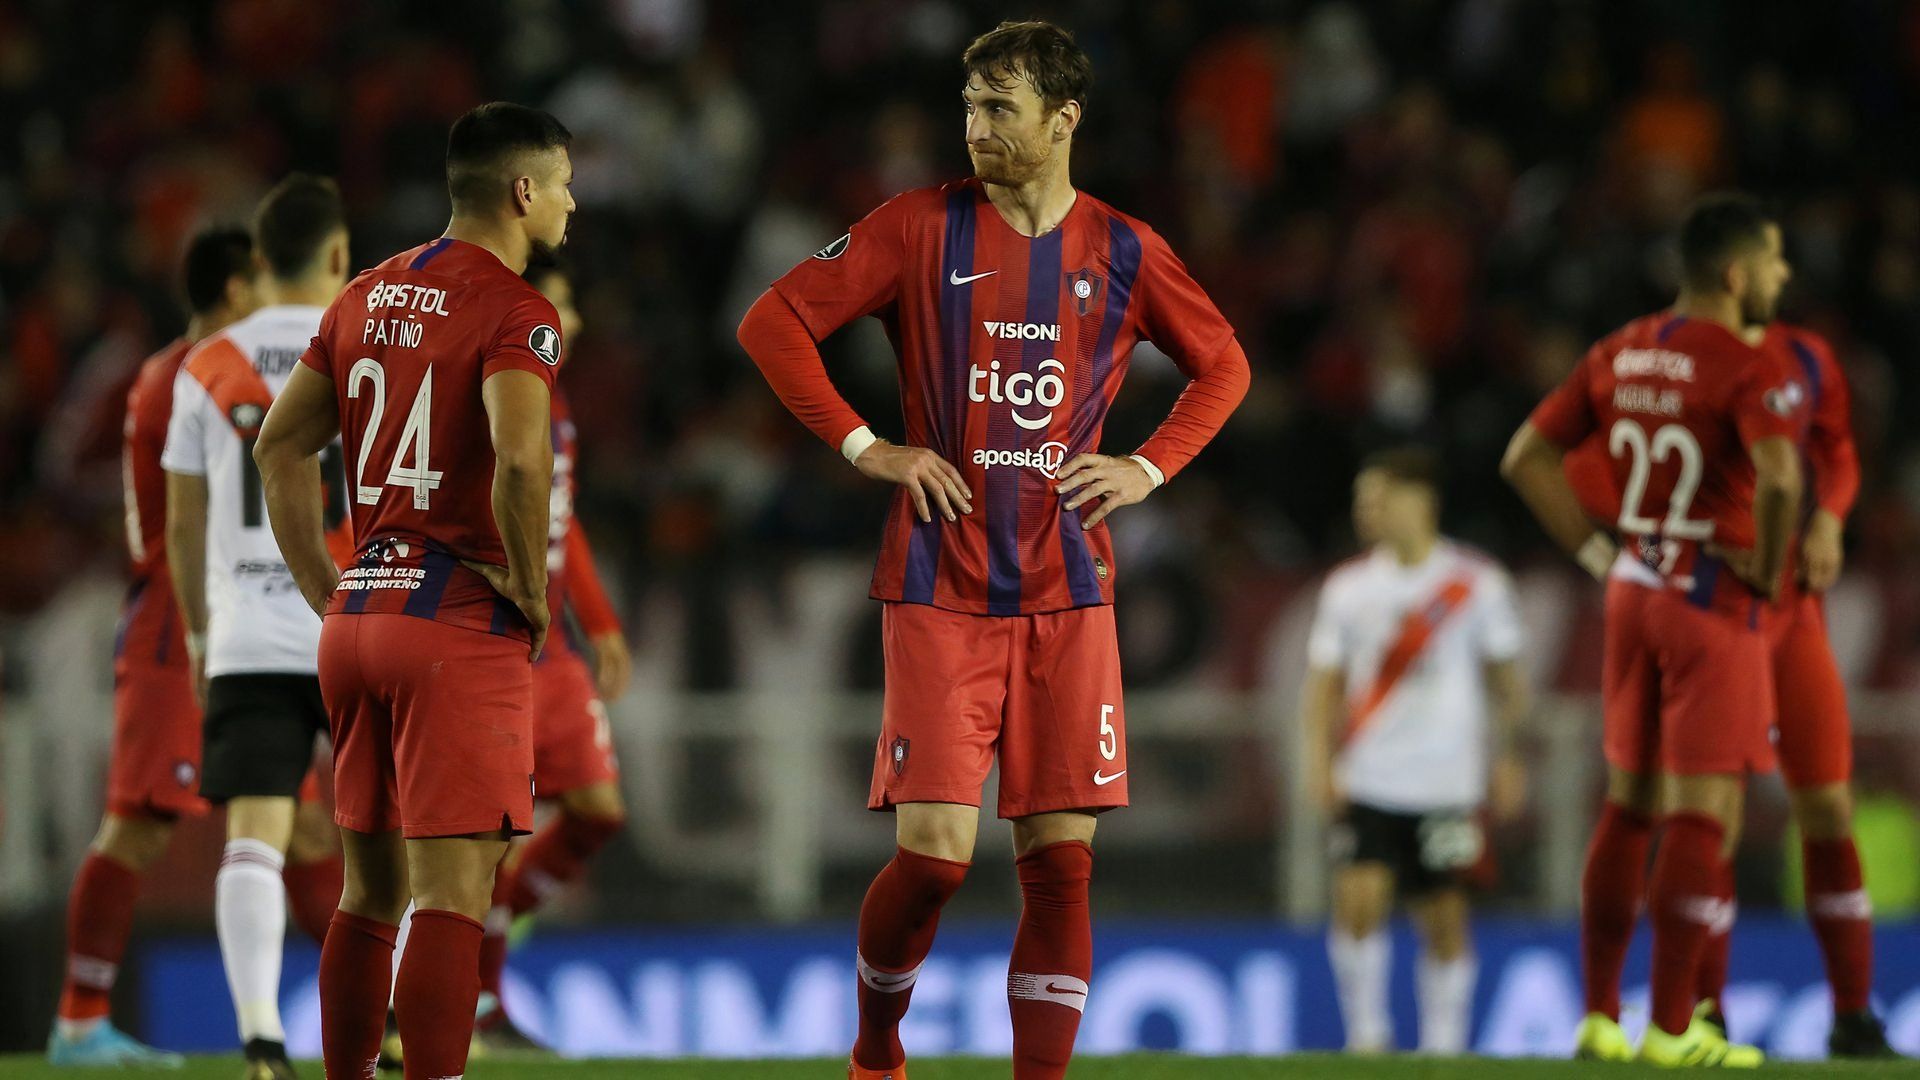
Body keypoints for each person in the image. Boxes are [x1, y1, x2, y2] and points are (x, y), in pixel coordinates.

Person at [737, 20, 1250, 1080]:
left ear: (1064, 121)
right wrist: (870, 447)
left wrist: (1146, 468)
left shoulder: (1123, 249)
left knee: (1060, 871)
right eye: (970, 107)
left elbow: (1224, 366)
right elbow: (773, 324)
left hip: (1070, 593)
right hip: (941, 585)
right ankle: (878, 1042)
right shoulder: (918, 228)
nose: (975, 128)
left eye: (999, 109)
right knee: (932, 861)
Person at [252, 101, 572, 1080]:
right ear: (522, 193)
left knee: (368, 892)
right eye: (561, 182)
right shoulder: (522, 313)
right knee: (451, 894)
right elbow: (521, 461)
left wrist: (325, 589)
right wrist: (527, 588)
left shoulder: (366, 291)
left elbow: (278, 445)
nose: (571, 203)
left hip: (359, 619)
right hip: (454, 625)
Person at [1502, 192, 1803, 1068]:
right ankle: (1673, 1029)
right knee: (1702, 817)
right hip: (1712, 599)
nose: (1784, 277)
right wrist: (1773, 567)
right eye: (1776, 262)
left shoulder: (1622, 349)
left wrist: (1600, 556)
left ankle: (1599, 1016)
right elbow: (1780, 477)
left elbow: (1525, 457)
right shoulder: (1750, 362)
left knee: (1628, 806)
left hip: (1631, 588)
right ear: (1737, 273)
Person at [161, 176, 353, 1080]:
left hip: (245, 636)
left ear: (257, 263)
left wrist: (201, 640)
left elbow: (183, 525)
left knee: (254, 836)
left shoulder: (203, 364)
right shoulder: (362, 348)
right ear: (339, 257)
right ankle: (385, 1028)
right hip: (356, 621)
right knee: (386, 838)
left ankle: (262, 1043)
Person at [1689, 320, 1894, 1058]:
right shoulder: (1665, 364)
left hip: (1792, 607)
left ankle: (1852, 1016)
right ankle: (1703, 1016)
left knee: (1830, 803)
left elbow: (1836, 452)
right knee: (1715, 816)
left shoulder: (1804, 355)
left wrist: (1832, 521)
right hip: (1714, 608)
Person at [1302, 446, 1527, 1055]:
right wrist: (1319, 763)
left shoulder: (1477, 583)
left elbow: (1507, 684)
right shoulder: (1348, 588)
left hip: (1448, 780)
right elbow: (1322, 688)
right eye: (1360, 502)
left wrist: (1508, 758)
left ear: (1418, 500)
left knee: (1445, 916)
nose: (1366, 511)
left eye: (1377, 498)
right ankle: (1367, 1039)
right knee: (1357, 904)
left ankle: (1445, 1048)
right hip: (1371, 775)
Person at [472, 257, 631, 1048]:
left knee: (598, 810)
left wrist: (598, 621)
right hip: (498, 638)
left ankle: (490, 932)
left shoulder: (554, 398)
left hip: (555, 648)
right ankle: (477, 999)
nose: (570, 322)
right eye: (559, 306)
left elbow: (564, 516)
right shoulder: (499, 385)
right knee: (483, 834)